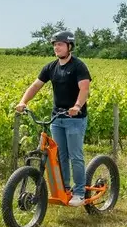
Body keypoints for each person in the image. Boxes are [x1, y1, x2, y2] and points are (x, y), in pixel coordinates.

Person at [15, 29, 92, 206]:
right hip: (57, 118)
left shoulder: (78, 66)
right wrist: (23, 101)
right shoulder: (51, 67)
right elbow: (35, 86)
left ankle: (80, 192)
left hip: (75, 119)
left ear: (69, 46)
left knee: (75, 156)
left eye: (60, 44)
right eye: (55, 45)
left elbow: (84, 89)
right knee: (59, 156)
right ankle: (64, 188)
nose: (57, 47)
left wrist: (77, 106)